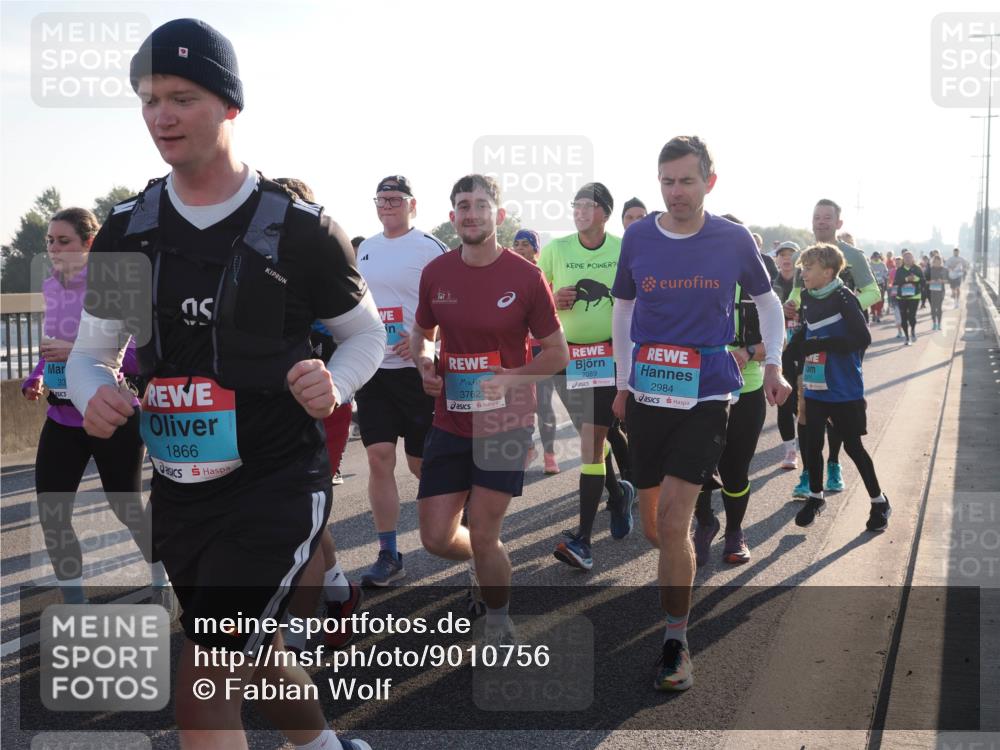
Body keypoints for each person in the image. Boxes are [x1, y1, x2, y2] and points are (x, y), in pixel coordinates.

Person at [66, 19, 382, 750]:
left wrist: (332, 383)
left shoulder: (302, 231)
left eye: (181, 97)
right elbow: (89, 356)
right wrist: (94, 394)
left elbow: (367, 335)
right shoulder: (127, 230)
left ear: (229, 105)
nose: (161, 116)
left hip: (276, 478)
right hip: (180, 485)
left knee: (204, 689)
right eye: (148, 99)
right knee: (254, 652)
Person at [610, 136, 789, 691]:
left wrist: (776, 364)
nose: (676, 192)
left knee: (672, 522)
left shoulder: (732, 239)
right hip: (647, 394)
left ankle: (675, 640)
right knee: (652, 527)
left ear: (710, 181)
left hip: (707, 394)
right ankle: (678, 565)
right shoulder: (638, 236)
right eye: (667, 181)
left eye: (687, 180)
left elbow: (768, 302)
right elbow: (623, 309)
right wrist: (621, 385)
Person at [411, 174, 567, 646]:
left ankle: (497, 618)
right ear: (453, 214)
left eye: (481, 205)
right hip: (451, 416)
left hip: (505, 417)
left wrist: (511, 379)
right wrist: (423, 363)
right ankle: (485, 562)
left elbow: (556, 353)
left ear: (498, 215)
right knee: (436, 538)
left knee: (483, 530)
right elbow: (424, 334)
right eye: (463, 205)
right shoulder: (436, 273)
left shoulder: (525, 276)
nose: (471, 213)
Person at [23, 207, 165, 604]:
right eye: (49, 242)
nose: (54, 249)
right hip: (63, 416)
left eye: (63, 241)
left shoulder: (111, 286)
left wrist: (75, 351)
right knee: (53, 514)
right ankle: (75, 602)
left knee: (127, 509)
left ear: (89, 244)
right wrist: (36, 376)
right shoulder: (52, 287)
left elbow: (139, 353)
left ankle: (161, 579)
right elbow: (52, 345)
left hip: (111, 410)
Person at [354, 175, 447, 587]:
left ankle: (454, 533)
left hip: (416, 372)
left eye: (395, 199)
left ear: (413, 205)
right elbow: (354, 305)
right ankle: (388, 552)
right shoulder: (366, 250)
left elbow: (451, 304)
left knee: (420, 463)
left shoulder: (430, 248)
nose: (387, 205)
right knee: (378, 458)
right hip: (375, 370)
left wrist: (427, 342)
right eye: (381, 199)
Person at [541, 182, 637, 571]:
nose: (579, 210)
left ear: (605, 212)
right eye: (575, 204)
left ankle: (582, 539)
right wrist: (554, 297)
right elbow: (536, 294)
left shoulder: (623, 248)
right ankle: (618, 493)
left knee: (590, 441)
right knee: (593, 437)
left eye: (587, 205)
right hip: (569, 357)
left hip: (610, 354)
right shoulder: (556, 249)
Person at [692, 215, 776, 566]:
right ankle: (705, 521)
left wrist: (747, 353)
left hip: (748, 386)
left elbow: (774, 335)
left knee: (735, 469)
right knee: (694, 466)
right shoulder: (691, 277)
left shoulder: (759, 279)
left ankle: (735, 532)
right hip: (699, 388)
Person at [790, 243, 889, 531]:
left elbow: (862, 338)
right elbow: (807, 329)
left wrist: (821, 345)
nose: (803, 273)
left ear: (828, 271)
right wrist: (794, 349)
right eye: (802, 268)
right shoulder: (807, 296)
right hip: (815, 383)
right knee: (811, 442)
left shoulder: (844, 297)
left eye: (809, 268)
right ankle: (816, 496)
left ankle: (879, 501)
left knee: (853, 447)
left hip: (844, 386)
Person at [512, 228, 560, 474]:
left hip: (542, 350)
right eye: (517, 244)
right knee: (518, 403)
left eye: (526, 244)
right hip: (517, 352)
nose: (520, 248)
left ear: (536, 251)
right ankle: (529, 446)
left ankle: (550, 455)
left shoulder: (544, 278)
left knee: (542, 404)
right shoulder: (508, 278)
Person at [772, 241, 802, 471]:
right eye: (782, 255)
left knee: (803, 403)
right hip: (781, 351)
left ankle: (805, 439)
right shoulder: (770, 285)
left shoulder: (806, 282)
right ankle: (790, 450)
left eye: (791, 255)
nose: (786, 259)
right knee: (784, 401)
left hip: (805, 350)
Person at [893, 250, 924, 345]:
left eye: (910, 257)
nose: (908, 259)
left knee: (912, 316)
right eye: (906, 258)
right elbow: (896, 282)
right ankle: (906, 337)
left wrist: (916, 278)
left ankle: (913, 331)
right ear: (903, 260)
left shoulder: (917, 268)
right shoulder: (900, 270)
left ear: (913, 258)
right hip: (902, 297)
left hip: (914, 296)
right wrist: (906, 279)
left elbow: (923, 281)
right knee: (903, 317)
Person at [926, 254, 948, 331]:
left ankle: (939, 324)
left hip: (940, 291)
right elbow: (925, 281)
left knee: (939, 308)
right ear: (933, 262)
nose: (937, 264)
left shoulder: (944, 269)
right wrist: (930, 281)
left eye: (939, 262)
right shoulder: (930, 269)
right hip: (931, 291)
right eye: (936, 262)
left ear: (941, 262)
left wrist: (941, 281)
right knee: (932, 308)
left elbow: (948, 280)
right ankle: (934, 323)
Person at [869, 252, 888, 323]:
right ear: (873, 257)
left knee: (880, 299)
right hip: (872, 284)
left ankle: (879, 313)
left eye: (878, 257)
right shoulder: (870, 264)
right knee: (872, 299)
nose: (876, 258)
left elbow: (886, 273)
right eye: (875, 257)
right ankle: (873, 313)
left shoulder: (882, 264)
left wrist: (885, 278)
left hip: (881, 283)